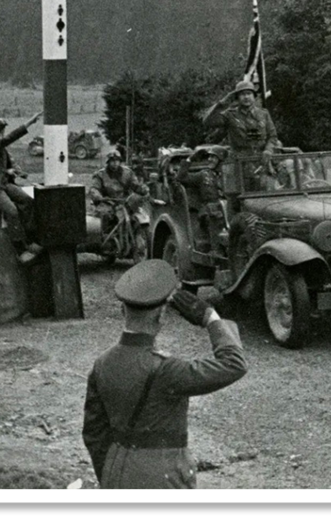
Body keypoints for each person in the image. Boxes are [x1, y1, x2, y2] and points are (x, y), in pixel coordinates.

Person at [83, 260, 247, 489]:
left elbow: (93, 433)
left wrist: (111, 472)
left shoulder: (102, 363)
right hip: (164, 478)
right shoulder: (167, 370)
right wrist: (211, 319)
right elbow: (234, 364)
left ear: (122, 311)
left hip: (116, 472)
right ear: (161, 317)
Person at [0, 113, 43, 264]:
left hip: (2, 183)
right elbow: (11, 137)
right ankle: (20, 250)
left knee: (27, 201)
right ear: (1, 130)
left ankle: (30, 239)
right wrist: (29, 122)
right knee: (12, 211)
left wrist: (10, 171)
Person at [202, 80, 279, 169]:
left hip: (261, 162)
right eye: (242, 94)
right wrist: (223, 103)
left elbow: (272, 136)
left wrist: (268, 150)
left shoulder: (263, 114)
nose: (246, 97)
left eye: (249, 93)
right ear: (237, 97)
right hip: (239, 164)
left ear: (254, 96)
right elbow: (208, 121)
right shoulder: (230, 115)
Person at [90, 150, 151, 260]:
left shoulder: (127, 173)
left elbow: (136, 185)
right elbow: (94, 188)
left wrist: (143, 189)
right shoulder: (100, 175)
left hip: (125, 201)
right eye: (112, 161)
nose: (115, 163)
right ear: (108, 162)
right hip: (107, 202)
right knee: (105, 216)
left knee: (136, 215)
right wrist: (98, 196)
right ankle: (104, 242)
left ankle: (136, 241)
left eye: (117, 161)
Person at [172, 148, 226, 254]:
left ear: (221, 160)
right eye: (209, 157)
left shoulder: (230, 174)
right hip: (209, 210)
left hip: (228, 208)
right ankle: (216, 251)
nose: (210, 159)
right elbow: (181, 178)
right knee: (214, 213)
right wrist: (189, 160)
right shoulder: (203, 175)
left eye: (214, 157)